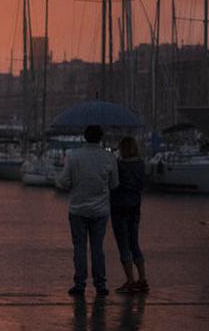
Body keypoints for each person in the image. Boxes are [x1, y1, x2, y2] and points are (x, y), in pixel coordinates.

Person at [55, 125, 119, 297]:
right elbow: (114, 184)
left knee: (79, 248)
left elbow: (62, 182)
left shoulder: (74, 156)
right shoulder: (109, 157)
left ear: (84, 137)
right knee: (98, 248)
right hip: (100, 211)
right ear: (100, 138)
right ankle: (100, 284)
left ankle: (80, 284)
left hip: (78, 209)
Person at [110, 136, 148, 293]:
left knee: (123, 245)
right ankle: (142, 278)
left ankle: (130, 280)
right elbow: (143, 184)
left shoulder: (119, 166)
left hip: (119, 207)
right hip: (135, 207)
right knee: (134, 243)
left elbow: (114, 184)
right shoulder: (141, 164)